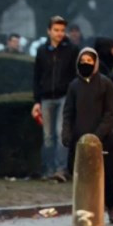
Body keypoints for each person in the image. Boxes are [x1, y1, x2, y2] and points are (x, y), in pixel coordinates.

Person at [62, 48, 113, 223]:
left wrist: (97, 136)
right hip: (79, 140)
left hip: (103, 140)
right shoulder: (73, 86)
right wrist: (67, 133)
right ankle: (85, 208)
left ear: (95, 63)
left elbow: (110, 113)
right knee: (81, 176)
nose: (85, 64)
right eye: (83, 60)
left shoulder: (106, 84)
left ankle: (112, 206)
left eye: (89, 60)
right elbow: (68, 113)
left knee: (107, 175)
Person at [32, 16, 79, 183]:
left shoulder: (72, 50)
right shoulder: (41, 50)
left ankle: (60, 169)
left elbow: (76, 75)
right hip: (46, 97)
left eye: (62, 30)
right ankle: (48, 169)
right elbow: (37, 76)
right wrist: (36, 101)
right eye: (56, 30)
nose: (59, 33)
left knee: (60, 133)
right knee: (48, 136)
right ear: (49, 31)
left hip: (64, 96)